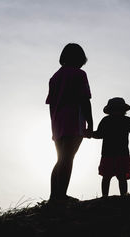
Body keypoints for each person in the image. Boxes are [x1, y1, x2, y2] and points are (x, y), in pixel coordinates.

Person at [46, 43, 93, 201]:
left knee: (61, 158)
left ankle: (54, 195)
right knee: (68, 158)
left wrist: (54, 123)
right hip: (74, 119)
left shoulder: (54, 78)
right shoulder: (80, 74)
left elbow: (51, 104)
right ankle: (61, 195)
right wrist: (90, 123)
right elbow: (85, 99)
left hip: (58, 122)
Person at [92, 97, 130, 197]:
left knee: (114, 177)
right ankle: (113, 197)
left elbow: (99, 134)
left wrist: (89, 134)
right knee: (112, 177)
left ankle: (115, 196)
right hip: (114, 153)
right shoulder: (125, 120)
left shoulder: (108, 120)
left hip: (112, 153)